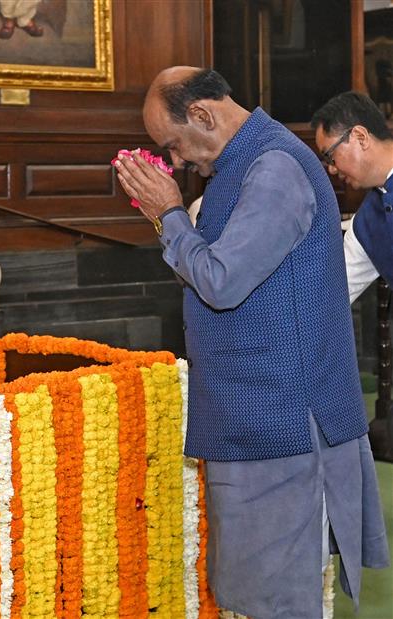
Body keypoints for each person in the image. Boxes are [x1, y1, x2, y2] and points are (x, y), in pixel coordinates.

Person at [114, 66, 389, 618]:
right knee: (255, 596)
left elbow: (221, 281)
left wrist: (168, 214)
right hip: (258, 416)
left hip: (284, 421)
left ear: (202, 115)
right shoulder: (241, 166)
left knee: (278, 601)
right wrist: (170, 220)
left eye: (172, 144)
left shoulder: (274, 168)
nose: (175, 161)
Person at [311, 91, 393, 304]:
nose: (331, 169)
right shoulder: (366, 222)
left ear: (360, 137)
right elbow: (330, 295)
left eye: (330, 156)